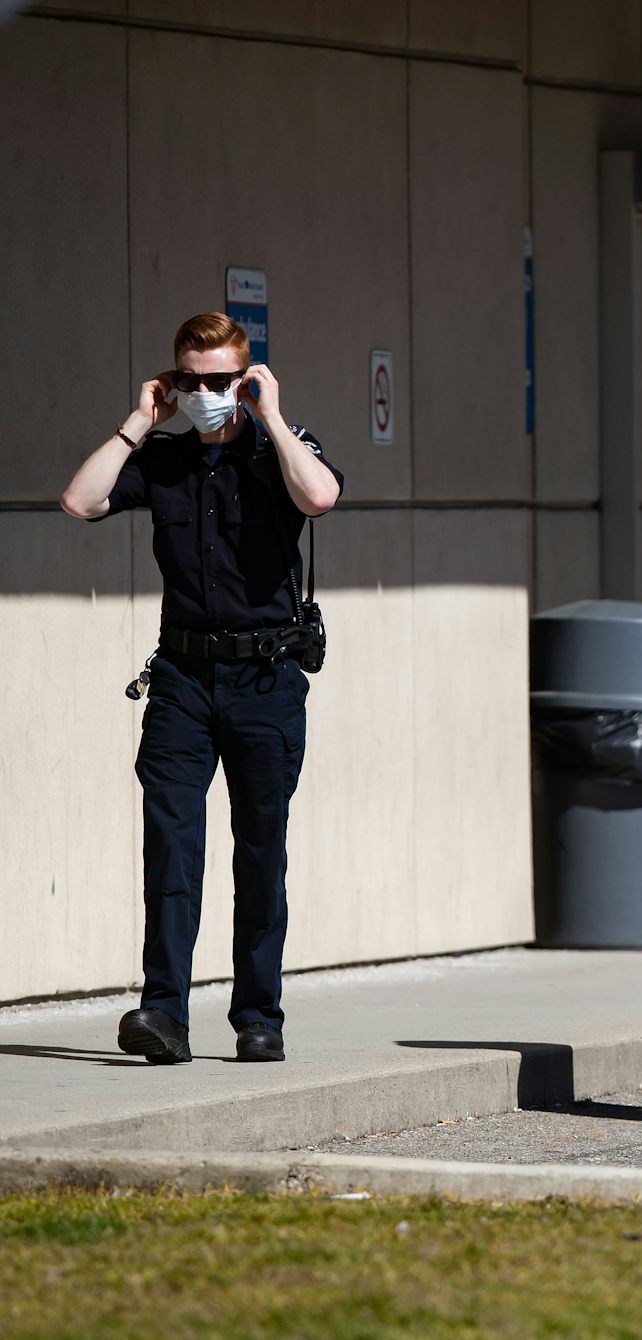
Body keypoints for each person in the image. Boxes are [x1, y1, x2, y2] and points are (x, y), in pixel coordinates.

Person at [59, 313, 341, 1065]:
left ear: (246, 379)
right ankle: (164, 1013)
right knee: (171, 849)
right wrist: (136, 421)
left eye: (222, 381)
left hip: (264, 680)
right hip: (182, 679)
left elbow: (319, 498)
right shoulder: (166, 460)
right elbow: (81, 502)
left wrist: (270, 416)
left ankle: (258, 1017)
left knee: (260, 854)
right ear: (176, 380)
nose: (207, 393)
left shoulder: (282, 448)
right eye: (193, 380)